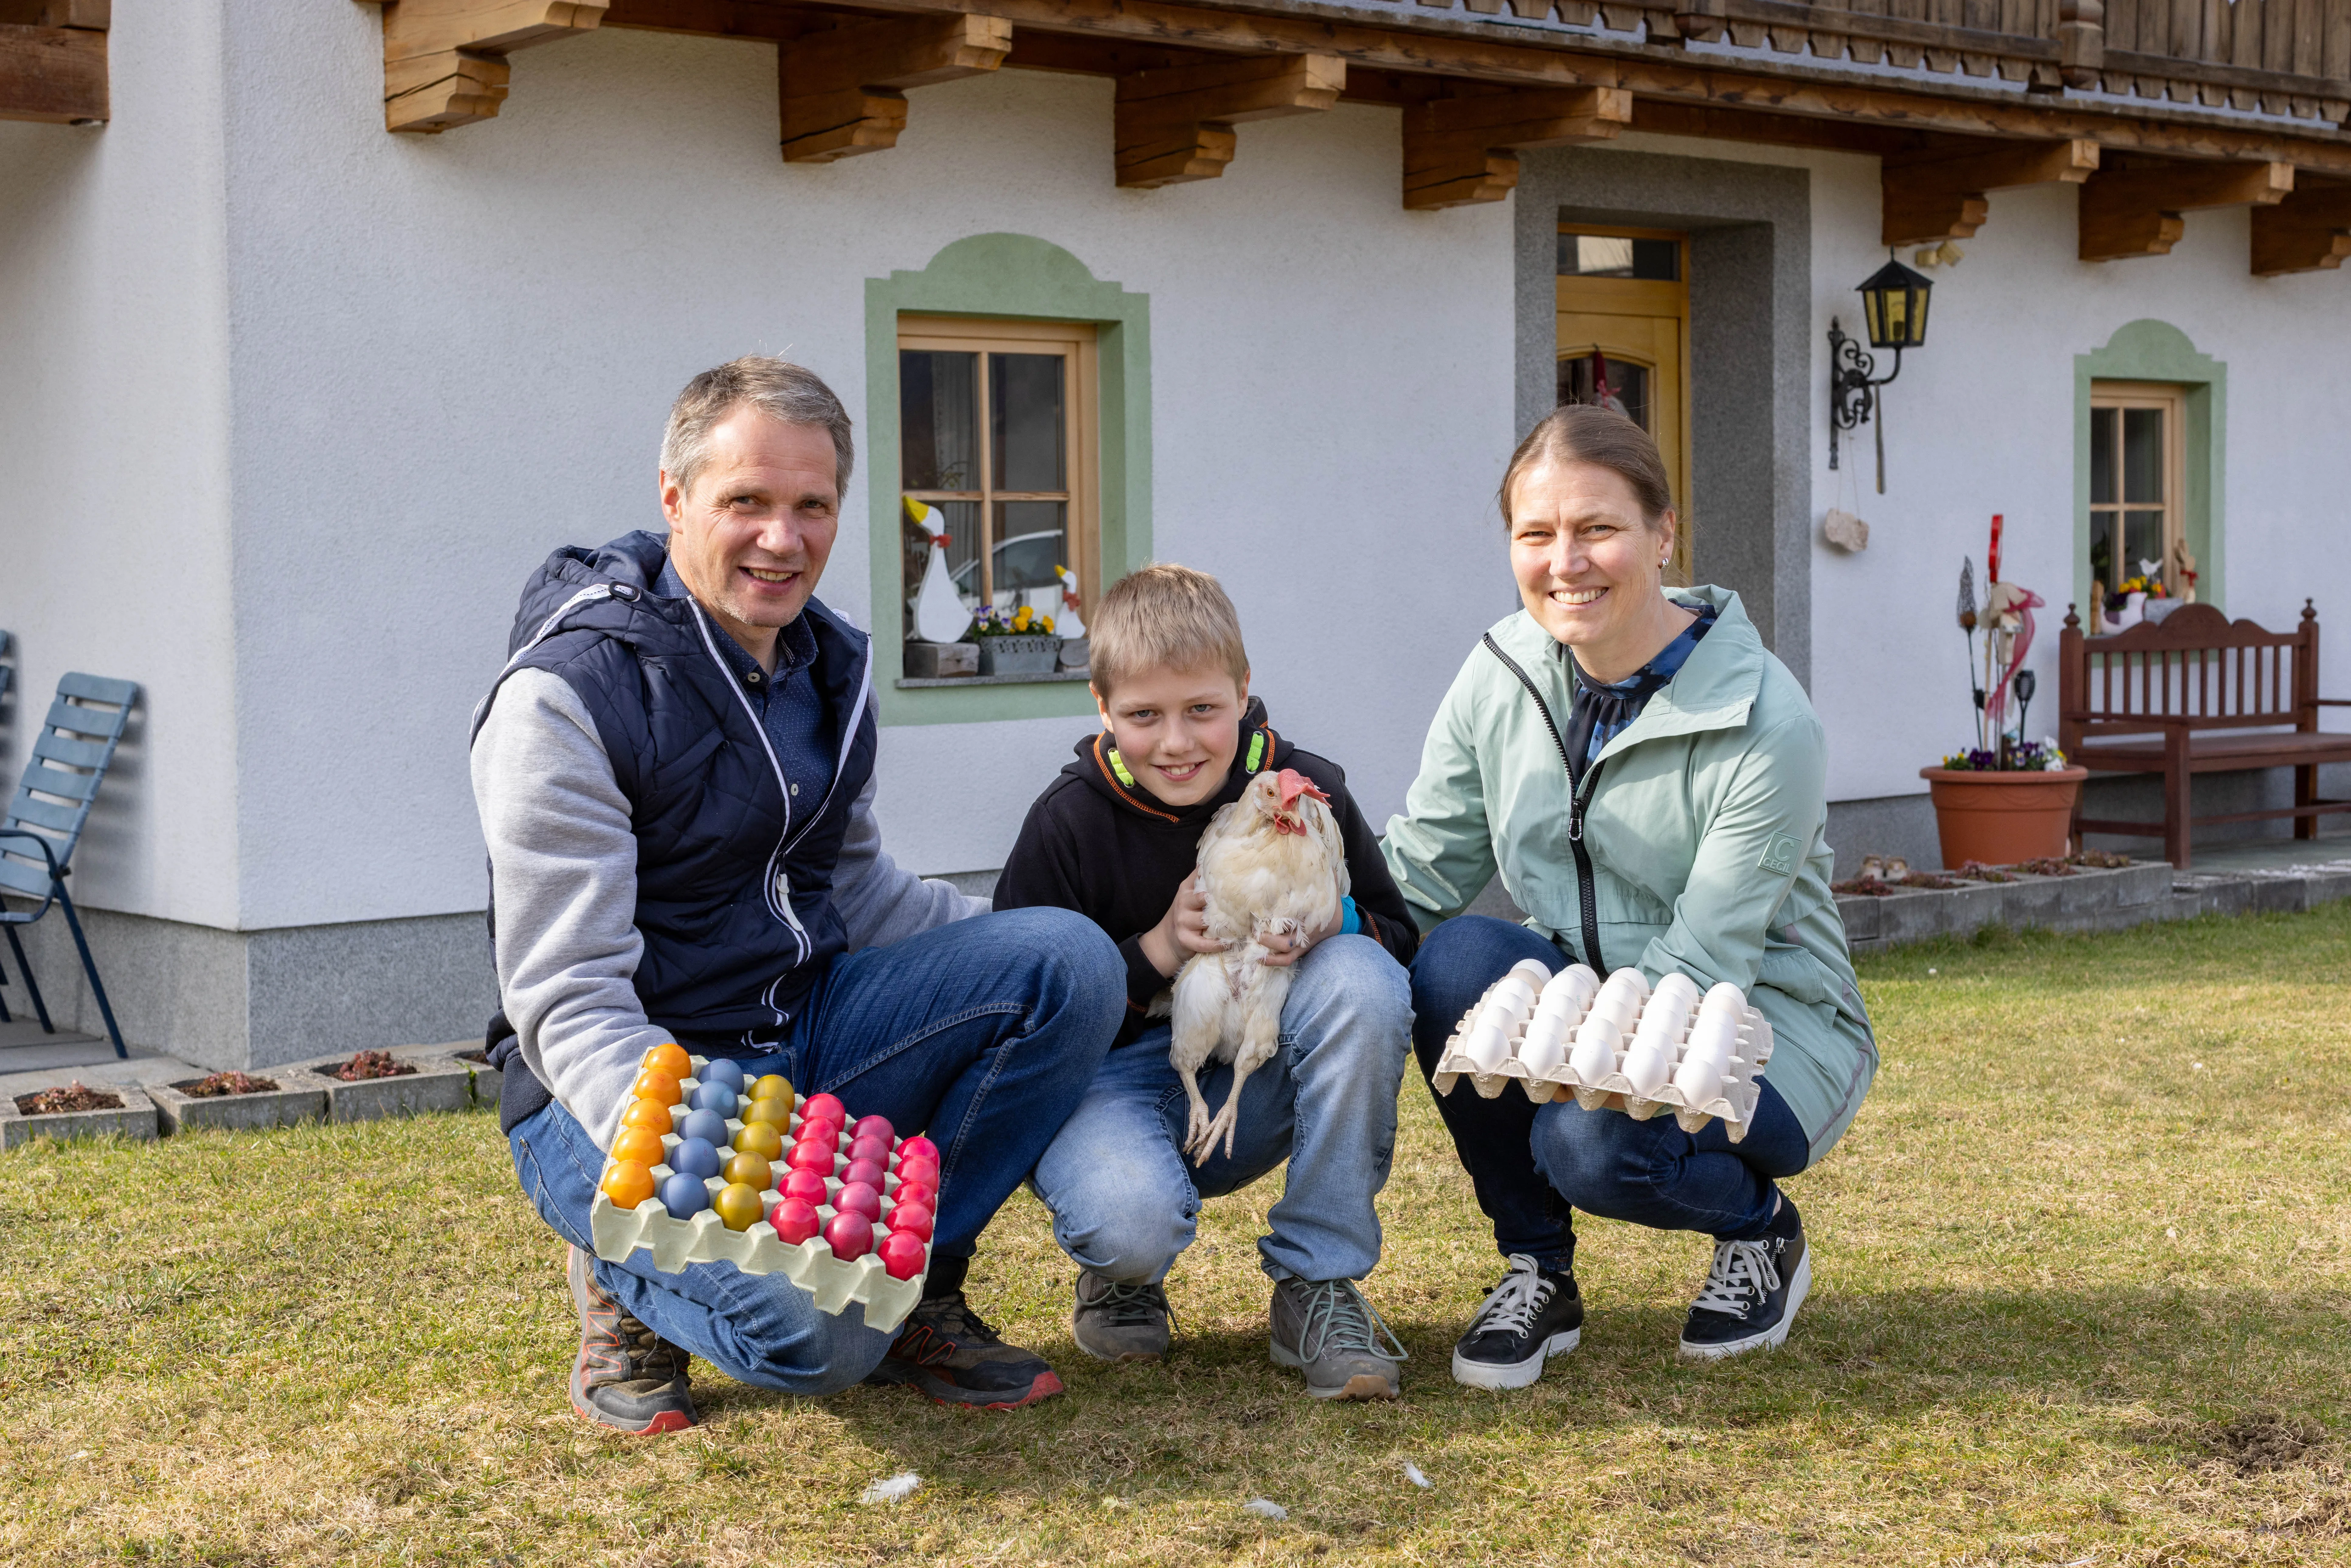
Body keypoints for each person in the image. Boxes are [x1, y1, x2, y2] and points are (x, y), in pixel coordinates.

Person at [469, 356, 1125, 1431]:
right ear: (676, 499)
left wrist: (1097, 947)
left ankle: (916, 1279)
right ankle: (624, 1274)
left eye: (811, 505)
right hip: (622, 1083)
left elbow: (859, 893)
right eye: (747, 502)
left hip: (802, 1027)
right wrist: (730, 1161)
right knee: (818, 1335)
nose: (783, 538)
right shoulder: (565, 698)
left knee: (1070, 961)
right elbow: (569, 1003)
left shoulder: (826, 666)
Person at [1382, 405, 1876, 1389]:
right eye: (1536, 534)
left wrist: (1560, 1059)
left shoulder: (1765, 718)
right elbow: (1420, 877)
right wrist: (1294, 927)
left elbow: (1704, 964)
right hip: (1590, 999)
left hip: (1761, 1019)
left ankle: (1758, 1228)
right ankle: (1537, 1270)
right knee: (1451, 965)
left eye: (1597, 528)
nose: (1565, 562)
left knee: (1591, 1138)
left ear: (1662, 534)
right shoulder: (1498, 674)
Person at [991, 565, 1421, 1400]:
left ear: (1243, 690)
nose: (1177, 742)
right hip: (1106, 1077)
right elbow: (1016, 1005)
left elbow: (1398, 939)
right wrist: (1152, 950)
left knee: (1362, 980)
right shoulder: (1068, 820)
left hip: (1253, 1067)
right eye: (1144, 716)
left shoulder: (1306, 788)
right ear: (1102, 707)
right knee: (1130, 1221)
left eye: (1201, 710)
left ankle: (1318, 1281)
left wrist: (1334, 920)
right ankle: (1121, 1267)